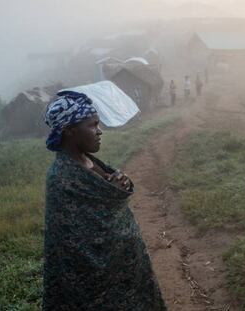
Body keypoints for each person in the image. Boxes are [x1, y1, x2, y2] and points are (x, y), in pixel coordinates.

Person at [43, 91, 166, 311]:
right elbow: (74, 242)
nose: (99, 131)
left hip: (126, 267)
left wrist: (121, 183)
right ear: (71, 131)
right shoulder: (61, 178)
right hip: (92, 283)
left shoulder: (86, 160)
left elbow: (109, 193)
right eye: (93, 125)